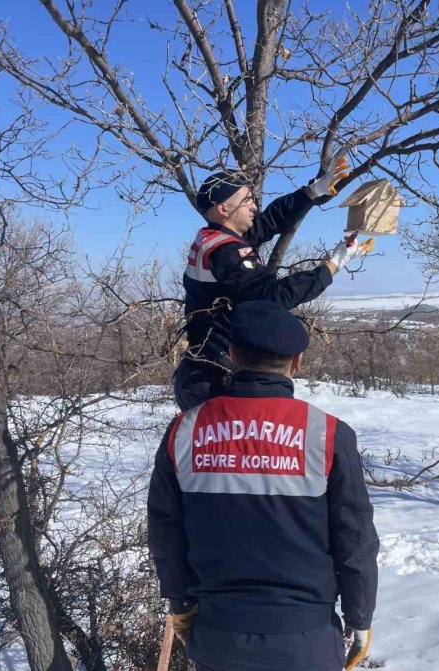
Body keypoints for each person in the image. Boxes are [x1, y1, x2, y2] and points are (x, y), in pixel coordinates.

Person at [148, 300, 379, 671]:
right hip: (307, 641)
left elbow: (165, 531)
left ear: (233, 354)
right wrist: (360, 617)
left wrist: (180, 605)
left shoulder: (184, 431)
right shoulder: (329, 434)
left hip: (218, 637)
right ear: (297, 360)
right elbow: (355, 541)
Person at [174, 156, 374, 410]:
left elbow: (268, 221)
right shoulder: (225, 252)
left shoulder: (216, 236)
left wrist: (313, 191)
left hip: (205, 375)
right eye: (246, 201)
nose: (254, 206)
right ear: (224, 209)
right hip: (214, 382)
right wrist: (333, 265)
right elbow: (275, 297)